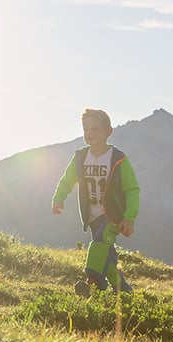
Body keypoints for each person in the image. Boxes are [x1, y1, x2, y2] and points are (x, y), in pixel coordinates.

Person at [52, 108, 141, 295]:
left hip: (113, 214)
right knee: (107, 254)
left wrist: (129, 217)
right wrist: (59, 198)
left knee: (99, 243)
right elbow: (67, 180)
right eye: (85, 129)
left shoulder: (118, 159)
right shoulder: (80, 157)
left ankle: (92, 281)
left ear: (108, 131)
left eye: (95, 129)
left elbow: (131, 189)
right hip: (91, 215)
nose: (89, 133)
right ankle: (122, 289)